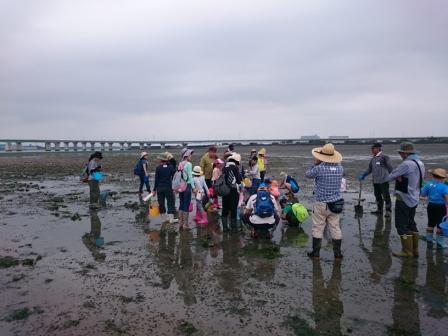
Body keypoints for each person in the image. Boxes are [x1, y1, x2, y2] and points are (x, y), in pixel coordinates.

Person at [305, 143, 344, 260]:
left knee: (318, 227)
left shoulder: (319, 168)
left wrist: (315, 164)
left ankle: (315, 253)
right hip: (336, 203)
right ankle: (338, 254)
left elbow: (307, 174)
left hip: (321, 203)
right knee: (335, 227)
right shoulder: (340, 168)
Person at [386, 142, 425, 258]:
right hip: (415, 197)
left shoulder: (406, 164)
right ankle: (415, 249)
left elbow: (390, 176)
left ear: (404, 153)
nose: (399, 154)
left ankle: (407, 251)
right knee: (411, 223)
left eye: (400, 152)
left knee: (401, 225)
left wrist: (397, 175)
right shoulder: (420, 163)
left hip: (404, 197)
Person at [358, 143, 394, 217]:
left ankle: (388, 211)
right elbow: (370, 169)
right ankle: (379, 210)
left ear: (378, 148)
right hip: (375, 181)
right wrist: (363, 175)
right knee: (377, 196)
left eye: (373, 148)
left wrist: (393, 176)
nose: (372, 150)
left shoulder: (384, 157)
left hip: (384, 181)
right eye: (372, 149)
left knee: (386, 196)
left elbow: (390, 168)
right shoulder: (373, 159)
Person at [420, 168, 448, 248]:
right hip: (441, 207)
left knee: (431, 223)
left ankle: (429, 239)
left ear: (433, 176)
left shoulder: (429, 184)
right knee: (440, 224)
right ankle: (440, 243)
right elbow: (446, 196)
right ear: (443, 178)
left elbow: (423, 194)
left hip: (431, 206)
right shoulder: (444, 187)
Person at [154, 153, 178, 224]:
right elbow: (174, 177)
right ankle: (171, 219)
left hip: (159, 188)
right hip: (168, 187)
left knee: (161, 203)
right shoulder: (170, 167)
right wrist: (175, 187)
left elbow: (156, 180)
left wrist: (154, 190)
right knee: (170, 202)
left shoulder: (158, 168)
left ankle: (164, 219)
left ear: (161, 160)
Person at [221, 153, 242, 232]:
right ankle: (233, 228)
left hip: (224, 191)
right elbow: (238, 180)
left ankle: (225, 228)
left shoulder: (224, 168)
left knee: (225, 209)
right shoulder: (235, 168)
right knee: (233, 209)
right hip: (233, 191)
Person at [178, 148, 196, 230]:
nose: (191, 156)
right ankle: (186, 225)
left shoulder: (180, 163)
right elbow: (190, 177)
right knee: (186, 204)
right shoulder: (189, 164)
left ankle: (180, 223)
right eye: (190, 154)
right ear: (186, 155)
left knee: (181, 203)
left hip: (181, 186)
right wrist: (193, 188)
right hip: (187, 186)